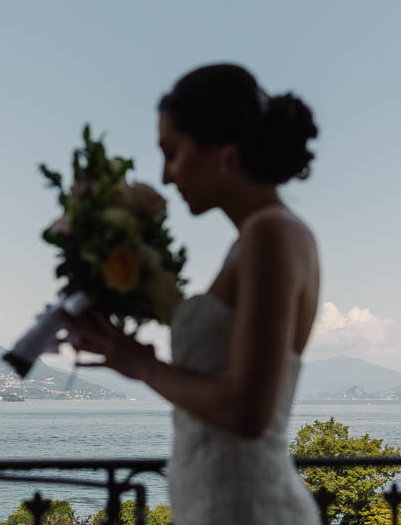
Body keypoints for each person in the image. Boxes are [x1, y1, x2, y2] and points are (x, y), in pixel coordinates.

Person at [65, 63, 321, 524]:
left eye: (173, 151)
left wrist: (141, 364)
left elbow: (247, 412)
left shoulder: (270, 234)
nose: (165, 176)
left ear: (223, 147)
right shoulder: (258, 238)